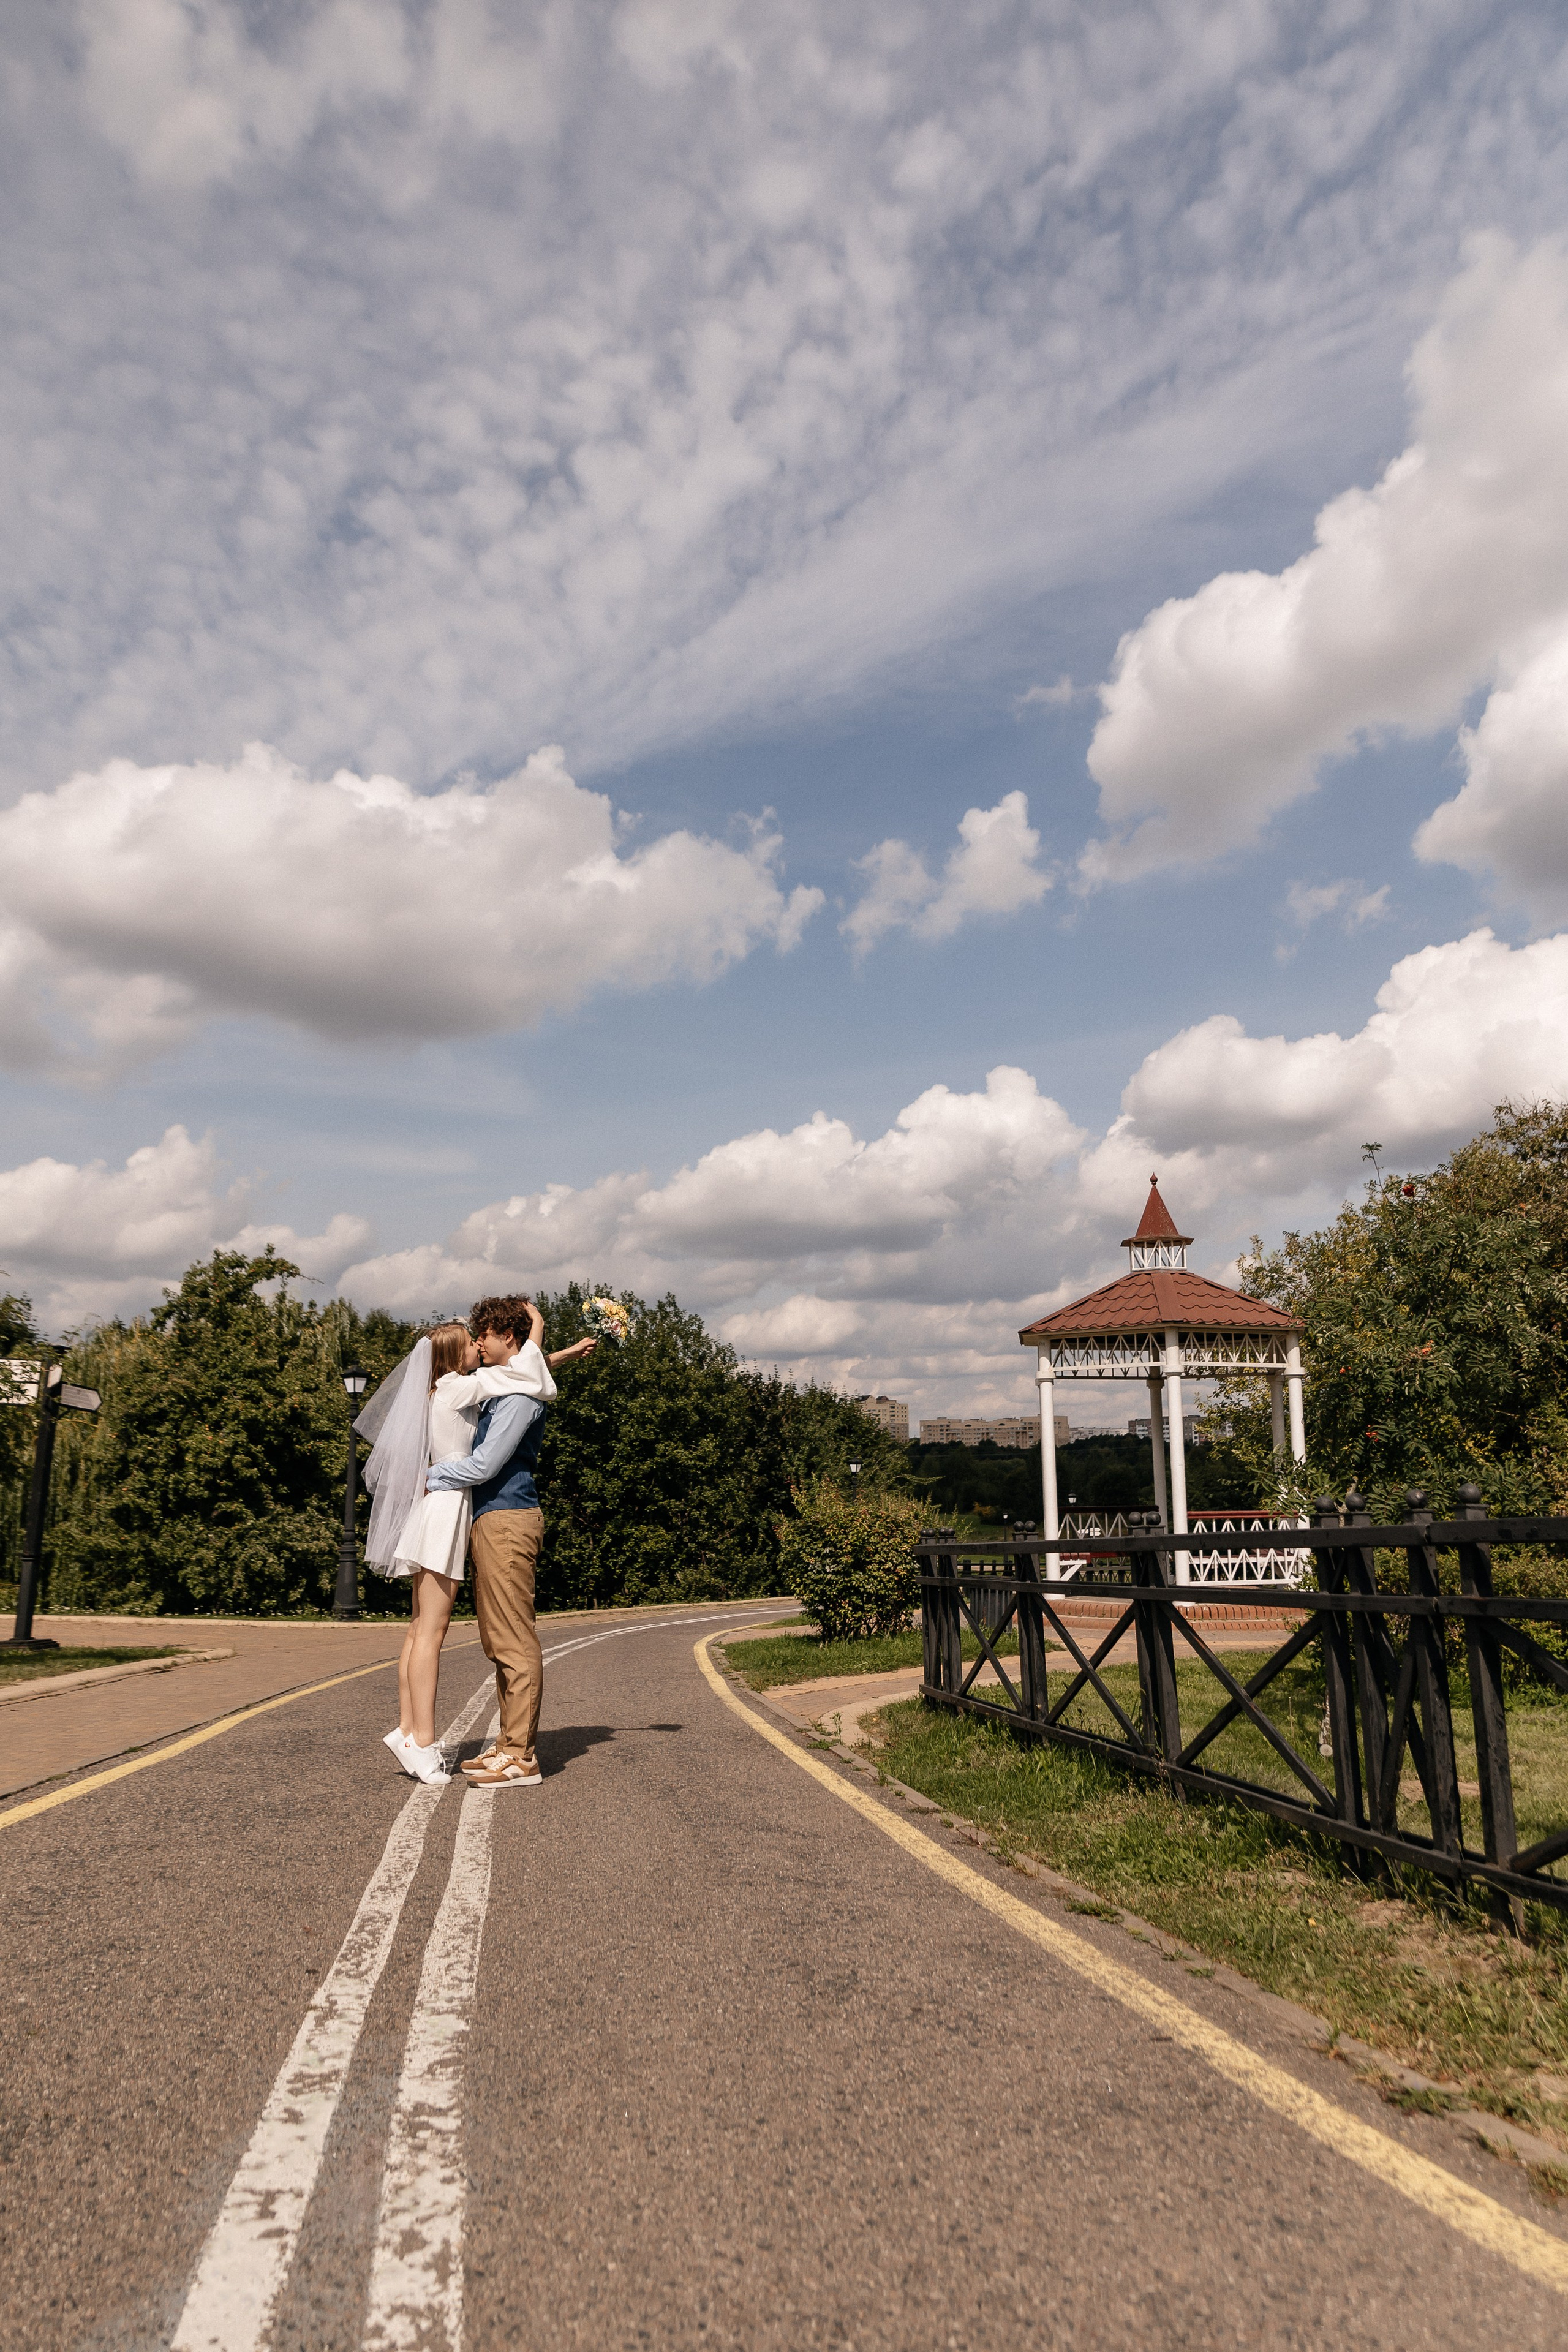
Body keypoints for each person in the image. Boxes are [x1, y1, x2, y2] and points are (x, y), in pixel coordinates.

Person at [423, 1292, 594, 1787]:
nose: (477, 1341)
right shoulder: (513, 1381)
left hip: (508, 1520)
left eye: (485, 1334)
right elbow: (533, 1361)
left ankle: (522, 1757)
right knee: (498, 1637)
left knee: (514, 1639)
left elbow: (485, 1465)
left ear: (508, 1338)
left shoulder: (519, 1396)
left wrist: (431, 1477)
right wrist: (540, 1325)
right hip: (493, 1518)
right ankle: (507, 1745)